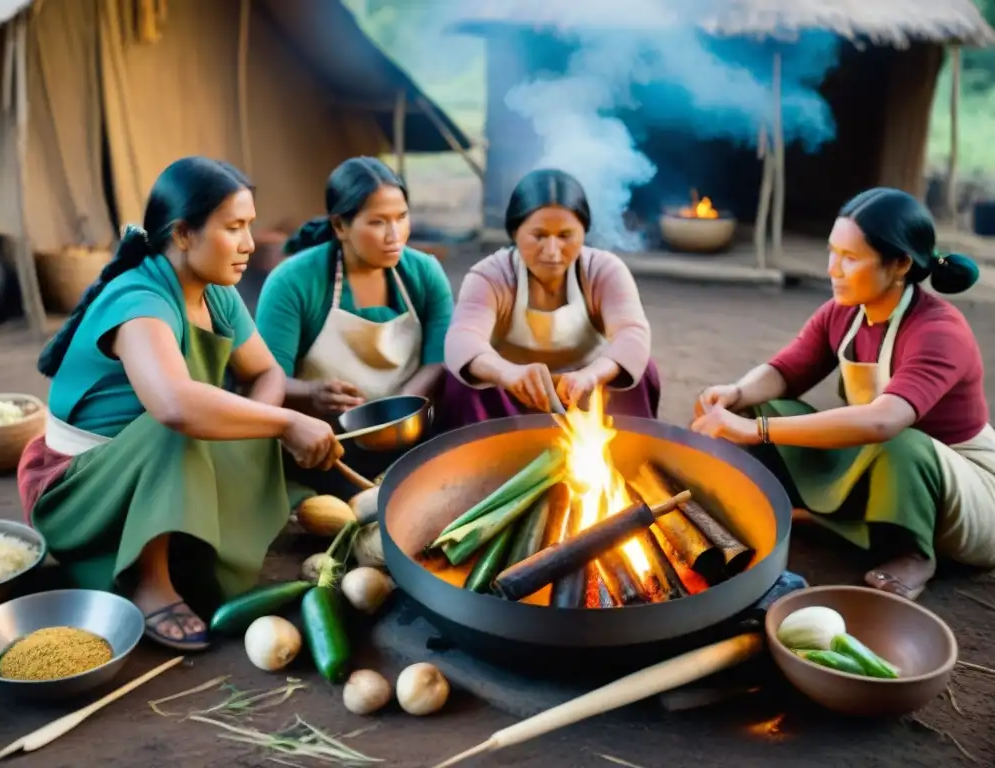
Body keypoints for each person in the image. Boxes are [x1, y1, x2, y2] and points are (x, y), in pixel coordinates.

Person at [17, 157, 343, 652]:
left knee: (239, 417)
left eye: (250, 226)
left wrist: (262, 429)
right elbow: (174, 406)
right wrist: (282, 423)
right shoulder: (139, 300)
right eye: (234, 228)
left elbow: (266, 372)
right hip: (84, 489)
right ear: (184, 234)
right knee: (187, 420)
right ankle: (151, 583)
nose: (250, 244)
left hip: (159, 474)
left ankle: (187, 545)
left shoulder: (216, 292)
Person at [692, 187, 993, 601]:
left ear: (901, 263)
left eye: (851, 258)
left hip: (964, 490)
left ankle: (913, 554)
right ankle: (787, 509)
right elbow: (786, 371)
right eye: (833, 252)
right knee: (761, 404)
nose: (834, 268)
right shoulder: (845, 311)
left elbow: (882, 420)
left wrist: (754, 429)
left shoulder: (939, 331)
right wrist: (736, 394)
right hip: (882, 457)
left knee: (898, 442)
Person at [255, 157, 454, 501]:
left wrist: (398, 407)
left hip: (407, 434)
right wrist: (311, 392)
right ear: (340, 225)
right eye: (377, 222)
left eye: (401, 217)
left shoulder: (424, 273)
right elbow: (265, 377)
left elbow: (438, 359)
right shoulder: (293, 282)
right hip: (328, 447)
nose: (395, 236)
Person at [438, 169, 660, 428]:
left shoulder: (603, 270)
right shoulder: (490, 275)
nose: (552, 251)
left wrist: (590, 375)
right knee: (461, 378)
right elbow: (462, 340)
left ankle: (628, 455)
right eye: (539, 236)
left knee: (641, 369)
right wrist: (507, 373)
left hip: (586, 394)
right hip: (511, 397)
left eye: (565, 236)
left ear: (583, 232)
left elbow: (631, 334)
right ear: (514, 233)